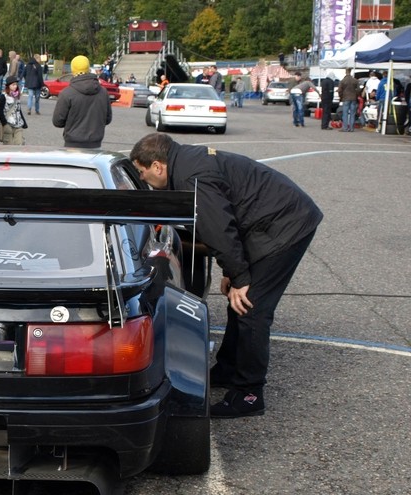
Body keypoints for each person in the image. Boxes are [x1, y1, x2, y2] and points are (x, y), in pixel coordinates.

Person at [130, 133, 323, 418]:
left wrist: (240, 278)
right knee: (239, 300)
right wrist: (234, 273)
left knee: (251, 308)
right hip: (266, 221)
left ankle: (249, 393)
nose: (145, 180)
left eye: (143, 173)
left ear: (158, 165)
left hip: (285, 227)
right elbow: (225, 223)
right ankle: (228, 368)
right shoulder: (186, 162)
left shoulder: (192, 178)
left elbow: (220, 230)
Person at [52, 55, 113, 148]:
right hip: (95, 143)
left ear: (73, 70)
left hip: (72, 143)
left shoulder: (67, 93)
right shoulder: (103, 92)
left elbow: (57, 121)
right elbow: (107, 119)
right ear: (88, 68)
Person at [0, 76, 27, 144]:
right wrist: (4, 123)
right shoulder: (3, 96)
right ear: (8, 86)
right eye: (13, 85)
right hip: (8, 123)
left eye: (16, 84)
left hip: (18, 124)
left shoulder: (17, 96)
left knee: (19, 143)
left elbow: (19, 110)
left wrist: (24, 122)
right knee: (9, 146)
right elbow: (0, 111)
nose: (15, 86)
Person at [338, 67, 359, 132]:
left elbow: (339, 90)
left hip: (346, 98)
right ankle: (351, 128)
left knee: (345, 113)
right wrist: (356, 95)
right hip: (353, 98)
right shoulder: (355, 80)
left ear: (345, 72)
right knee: (352, 113)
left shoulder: (343, 81)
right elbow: (358, 90)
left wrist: (341, 97)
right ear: (351, 71)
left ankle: (345, 127)